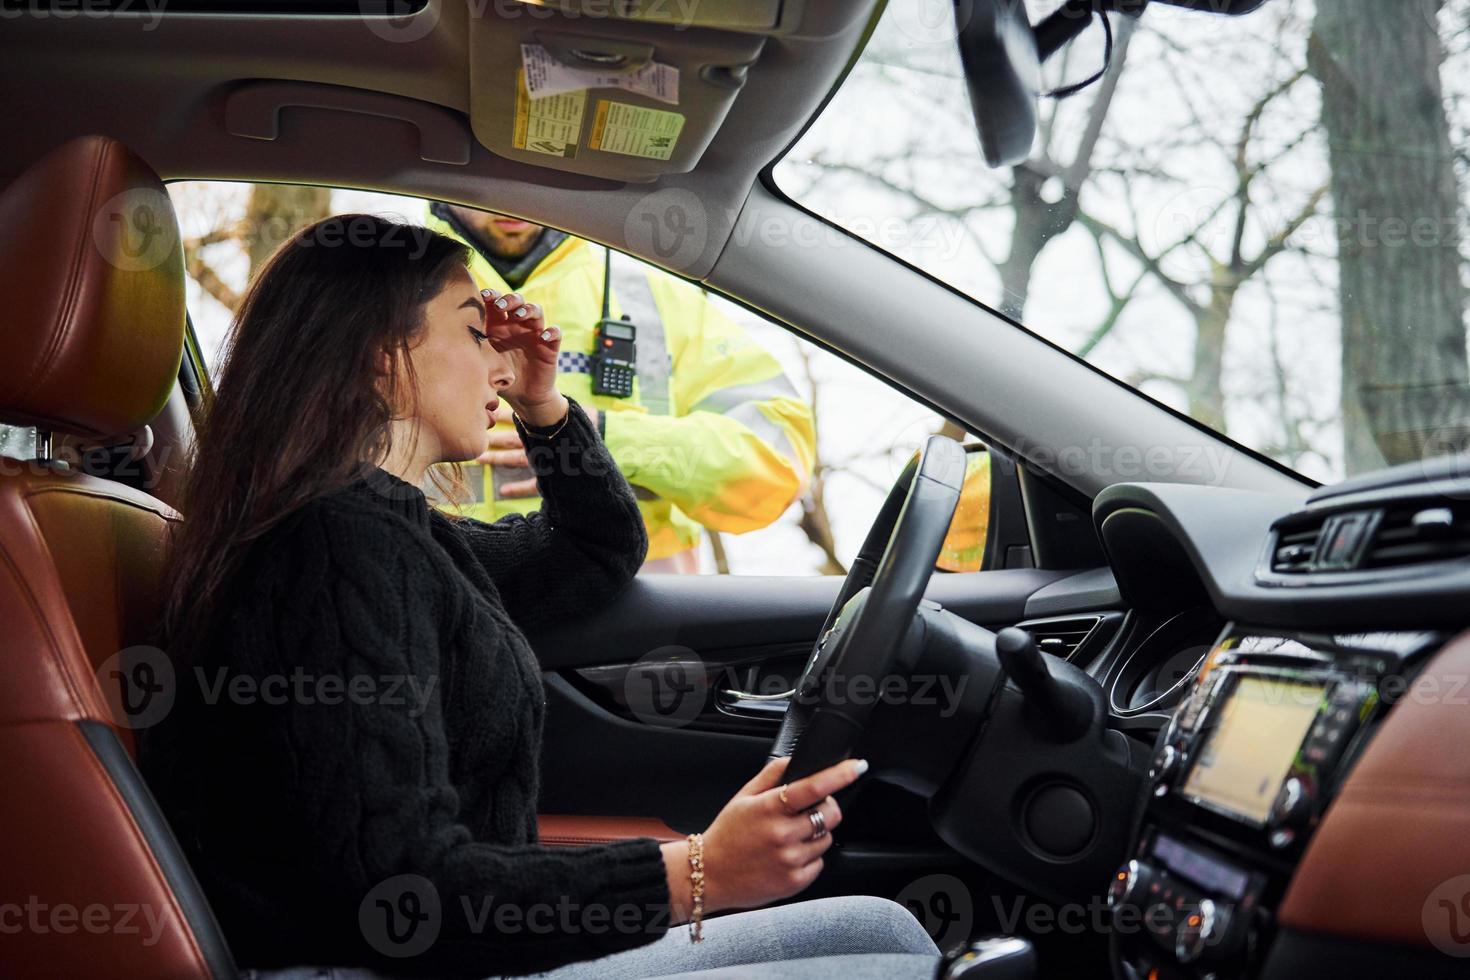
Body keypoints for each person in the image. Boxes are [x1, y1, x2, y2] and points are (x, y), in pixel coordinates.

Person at [139, 214, 942, 979]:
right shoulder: (335, 545)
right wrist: (697, 874)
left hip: (451, 954)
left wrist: (544, 409)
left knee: (883, 929)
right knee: (893, 959)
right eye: (474, 331)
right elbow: (402, 887)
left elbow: (597, 548)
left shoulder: (402, 531)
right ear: (383, 354)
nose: (499, 361)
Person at [425, 204, 817, 574]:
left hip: (639, 622)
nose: (507, 201)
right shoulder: (389, 295)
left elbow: (777, 465)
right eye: (491, 179)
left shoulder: (660, 296)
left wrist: (607, 439)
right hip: (445, 609)